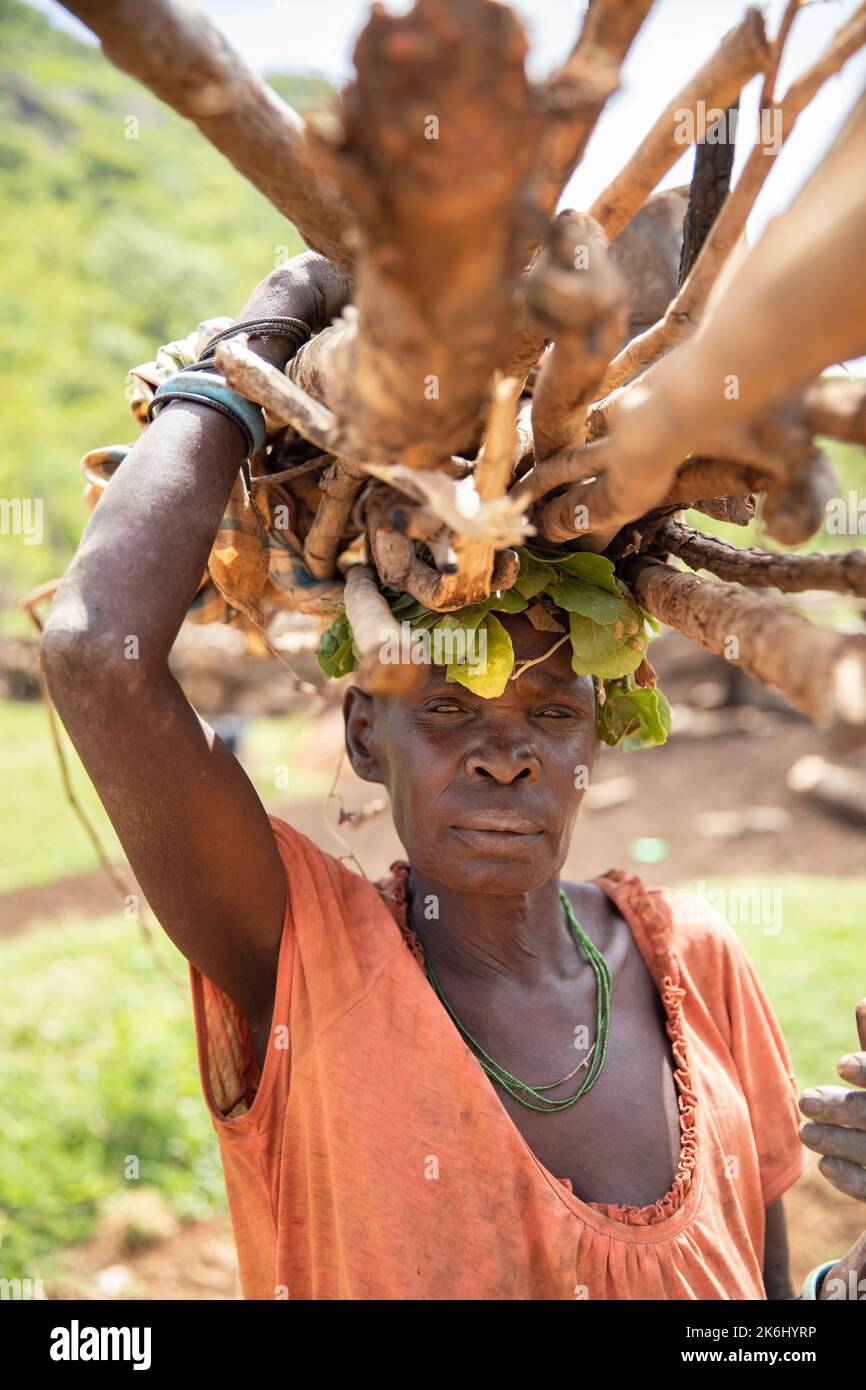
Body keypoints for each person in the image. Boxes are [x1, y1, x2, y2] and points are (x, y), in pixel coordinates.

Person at [42, 253, 866, 1301]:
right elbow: (93, 651)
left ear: (594, 737)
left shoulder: (694, 965)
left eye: (553, 711)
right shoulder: (305, 962)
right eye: (444, 709)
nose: (505, 752)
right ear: (359, 734)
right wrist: (254, 345)